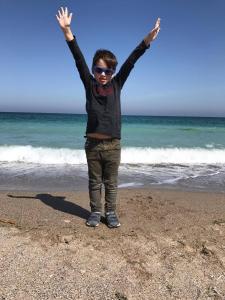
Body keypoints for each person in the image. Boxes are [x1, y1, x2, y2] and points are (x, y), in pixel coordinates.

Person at [56, 7, 160, 228]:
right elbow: (78, 59)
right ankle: (95, 212)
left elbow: (131, 61)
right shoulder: (89, 84)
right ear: (93, 70)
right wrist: (68, 32)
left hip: (113, 145)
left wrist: (146, 41)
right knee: (95, 182)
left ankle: (110, 212)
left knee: (111, 183)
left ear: (113, 72)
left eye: (108, 71)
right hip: (92, 144)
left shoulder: (117, 84)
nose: (103, 75)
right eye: (99, 70)